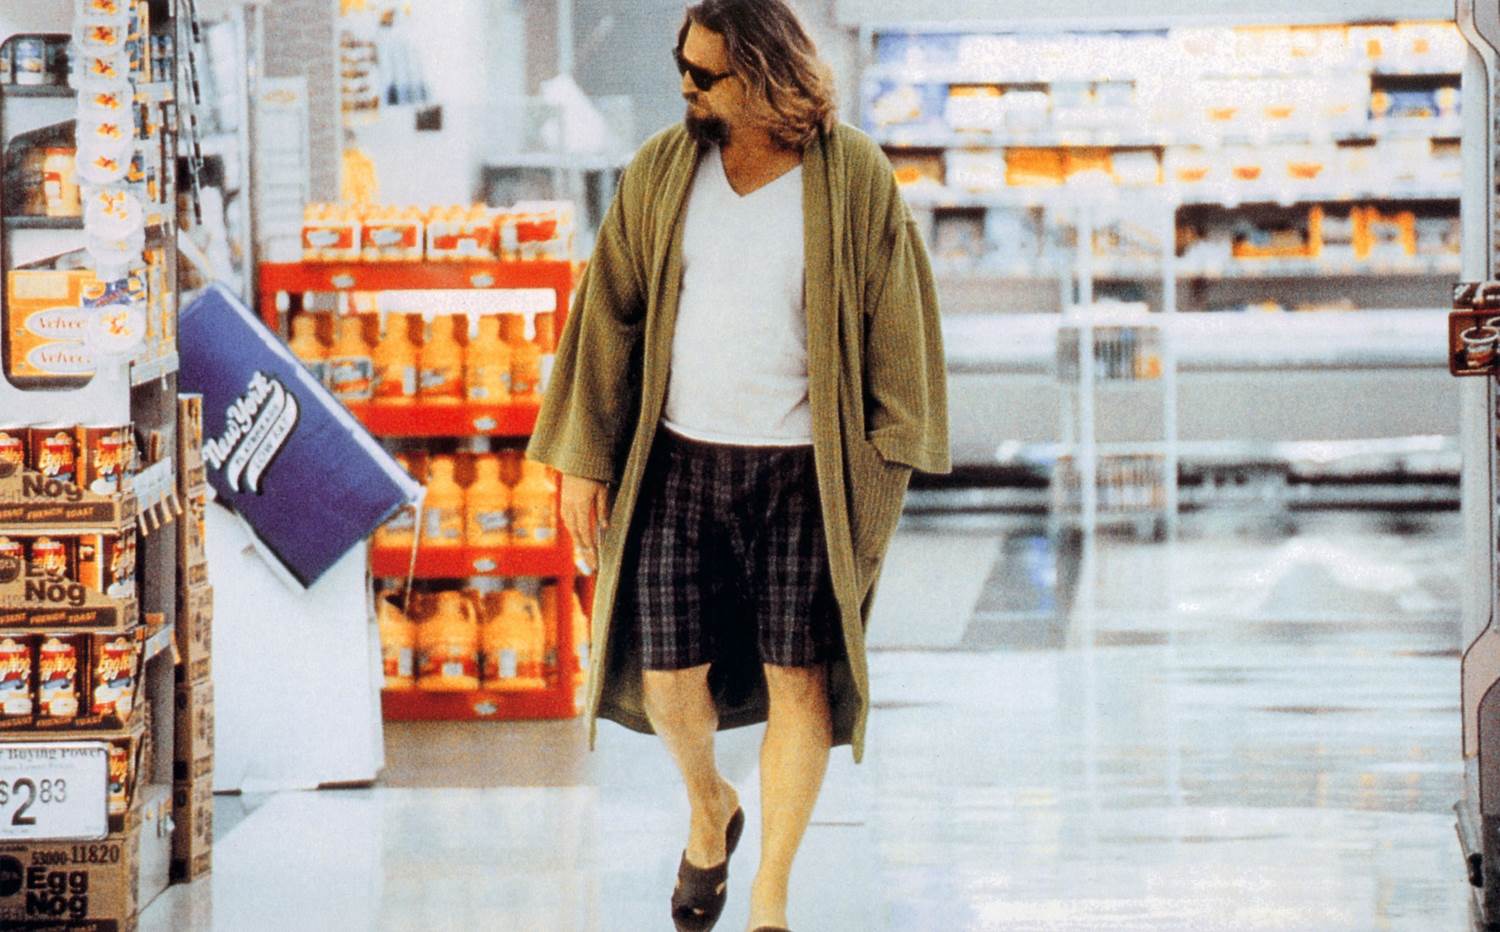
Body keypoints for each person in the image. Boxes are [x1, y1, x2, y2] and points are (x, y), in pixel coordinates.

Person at [525, 1, 948, 929]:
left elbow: (899, 325)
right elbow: (608, 313)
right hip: (677, 464)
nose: (686, 85)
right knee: (670, 678)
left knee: (801, 675)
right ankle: (709, 806)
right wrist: (583, 460)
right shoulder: (663, 168)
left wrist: (885, 470)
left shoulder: (853, 177)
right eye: (683, 65)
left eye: (705, 74)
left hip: (802, 473)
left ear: (763, 72)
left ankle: (769, 897)